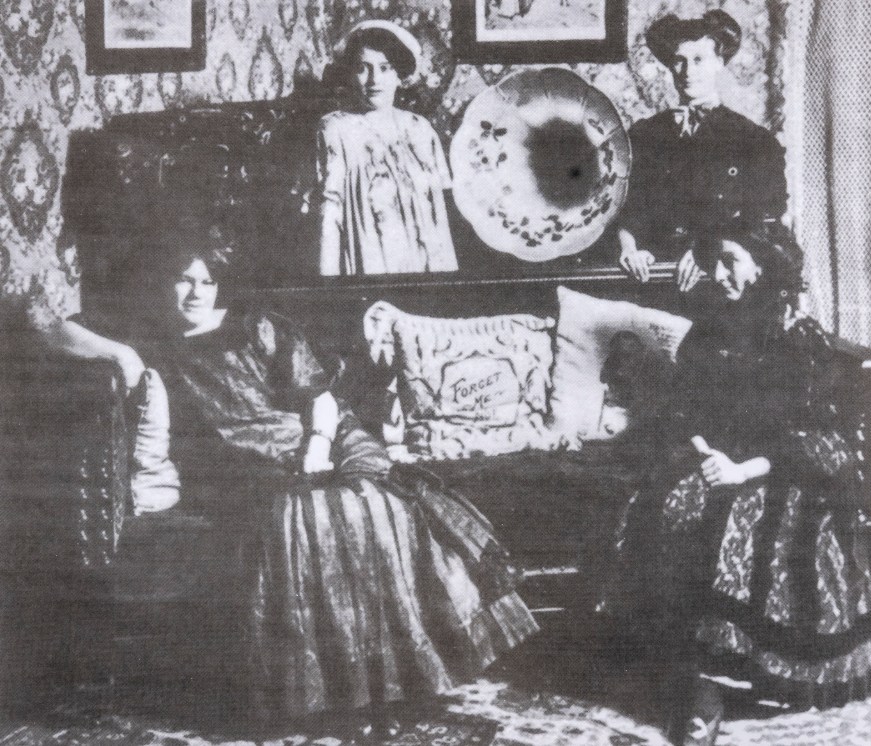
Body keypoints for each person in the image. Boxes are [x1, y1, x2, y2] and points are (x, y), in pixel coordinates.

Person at [41, 235, 537, 738]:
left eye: (207, 281)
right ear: (164, 282)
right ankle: (343, 691)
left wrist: (318, 449)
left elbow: (320, 401)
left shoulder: (257, 325)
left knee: (375, 502)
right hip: (249, 467)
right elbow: (47, 328)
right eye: (184, 279)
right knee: (306, 518)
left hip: (328, 439)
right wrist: (122, 353)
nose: (196, 292)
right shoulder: (152, 339)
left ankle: (397, 681)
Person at [598, 225, 871, 745]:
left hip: (780, 469)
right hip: (715, 454)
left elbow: (808, 438)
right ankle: (689, 675)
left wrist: (740, 469)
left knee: (744, 524)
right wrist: (705, 449)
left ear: (764, 267)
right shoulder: (709, 326)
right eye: (717, 261)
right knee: (668, 502)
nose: (720, 272)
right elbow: (687, 403)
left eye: (732, 261)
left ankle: (721, 678)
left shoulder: (797, 336)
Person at [617, 11, 788, 292]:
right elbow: (627, 205)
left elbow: (765, 218)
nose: (687, 71)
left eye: (699, 60)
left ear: (719, 63)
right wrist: (629, 246)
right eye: (679, 61)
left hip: (719, 277)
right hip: (654, 275)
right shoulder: (644, 134)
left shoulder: (753, 140)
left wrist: (708, 251)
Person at [318, 21, 459, 276]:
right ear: (350, 73)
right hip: (371, 269)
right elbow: (330, 216)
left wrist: (446, 283)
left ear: (399, 75)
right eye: (363, 68)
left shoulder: (420, 129)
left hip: (427, 270)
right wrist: (329, 289)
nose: (374, 79)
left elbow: (441, 214)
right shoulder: (335, 129)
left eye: (385, 68)